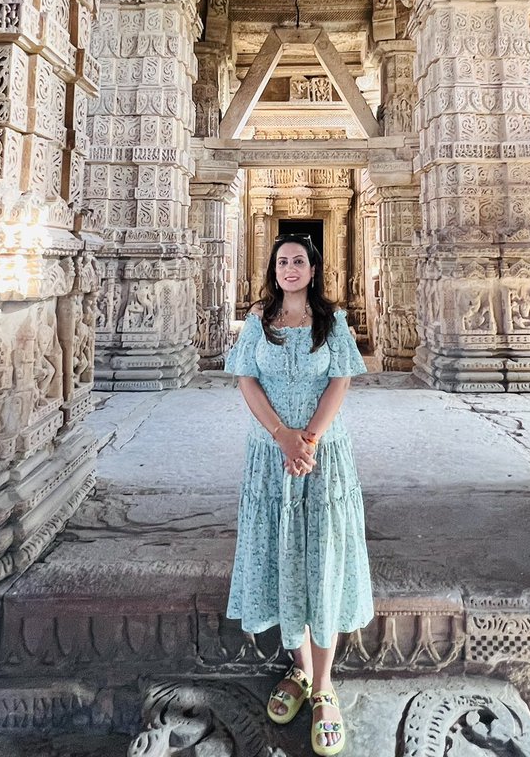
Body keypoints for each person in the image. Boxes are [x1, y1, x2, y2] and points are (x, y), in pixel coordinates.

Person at [225, 233, 373, 756]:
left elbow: (340, 382)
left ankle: (325, 683)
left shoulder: (332, 322)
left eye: (299, 261)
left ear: (313, 269)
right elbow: (245, 379)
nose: (290, 268)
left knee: (323, 556)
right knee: (282, 554)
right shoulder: (257, 321)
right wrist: (282, 437)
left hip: (322, 457)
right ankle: (300, 669)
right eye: (282, 261)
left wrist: (306, 438)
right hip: (271, 457)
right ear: (274, 269)